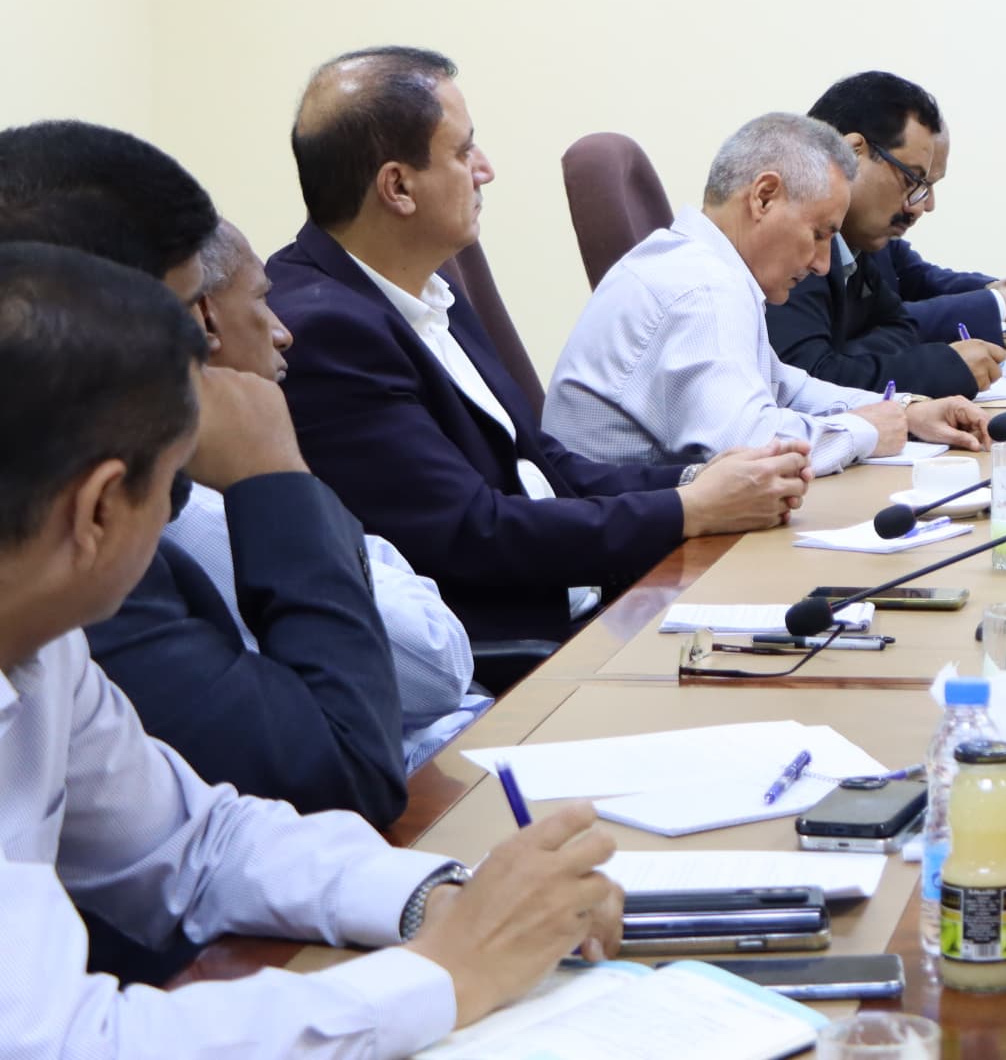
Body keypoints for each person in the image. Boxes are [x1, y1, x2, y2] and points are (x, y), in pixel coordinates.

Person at [0, 241, 626, 1058]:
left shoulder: (44, 650)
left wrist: (432, 899)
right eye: (175, 483)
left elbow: (196, 844)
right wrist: (447, 973)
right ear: (97, 511)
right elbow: (67, 1045)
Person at [268, 47, 810, 649]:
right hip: (521, 654)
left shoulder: (427, 286)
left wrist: (696, 480)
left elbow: (540, 462)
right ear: (398, 187)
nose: (485, 169)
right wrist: (690, 508)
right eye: (463, 151)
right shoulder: (327, 331)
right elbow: (472, 532)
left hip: (587, 600)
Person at [0, 120, 406, 840]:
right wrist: (275, 480)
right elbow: (347, 771)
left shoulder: (61, 634)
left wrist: (432, 894)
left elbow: (192, 848)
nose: (208, 347)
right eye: (192, 315)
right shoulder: (79, 562)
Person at [180, 221, 483, 772]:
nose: (282, 332)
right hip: (422, 780)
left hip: (456, 742)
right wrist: (281, 476)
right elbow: (437, 666)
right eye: (261, 299)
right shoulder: (202, 513)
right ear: (206, 319)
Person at [547, 111, 992, 472]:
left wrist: (904, 412)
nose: (822, 264)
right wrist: (867, 431)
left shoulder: (708, 269)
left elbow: (786, 389)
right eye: (819, 234)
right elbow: (752, 447)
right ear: (763, 197)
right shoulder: (701, 290)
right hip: (631, 552)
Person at [767, 72, 1006, 397]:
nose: (922, 206)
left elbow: (901, 326)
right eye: (912, 180)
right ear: (853, 153)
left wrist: (846, 355)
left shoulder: (854, 245)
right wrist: (944, 366)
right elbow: (805, 384)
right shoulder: (790, 239)